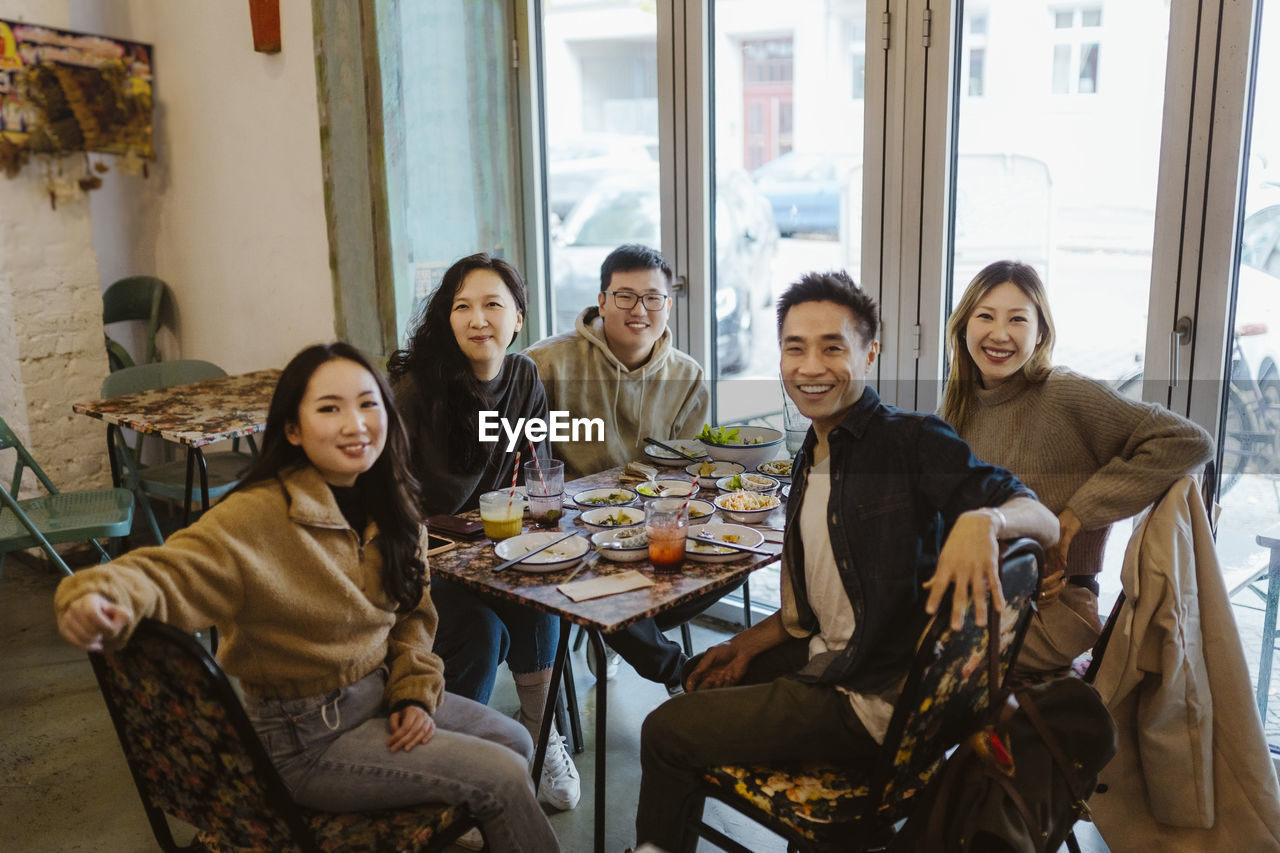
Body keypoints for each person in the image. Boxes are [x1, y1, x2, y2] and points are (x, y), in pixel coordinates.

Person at [54, 343, 559, 853]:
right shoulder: (257, 517)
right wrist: (94, 594)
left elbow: (412, 617)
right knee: (502, 777)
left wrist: (412, 692)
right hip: (303, 738)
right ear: (292, 430)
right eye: (328, 408)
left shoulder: (395, 502)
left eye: (368, 404)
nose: (355, 424)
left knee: (515, 743)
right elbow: (162, 573)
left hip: (379, 696)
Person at [634, 271, 1060, 851]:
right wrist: (744, 647)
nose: (811, 367)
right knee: (702, 678)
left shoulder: (910, 440)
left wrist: (987, 519)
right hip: (849, 664)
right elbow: (822, 610)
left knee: (664, 730)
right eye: (795, 348)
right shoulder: (813, 449)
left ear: (869, 353)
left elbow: (1041, 518)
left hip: (874, 702)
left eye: (832, 347)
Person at [941, 259, 1213, 678]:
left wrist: (1073, 518)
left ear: (1041, 333)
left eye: (1017, 319)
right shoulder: (959, 405)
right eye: (985, 316)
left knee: (906, 660)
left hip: (1050, 609)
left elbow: (1189, 440)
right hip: (978, 596)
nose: (999, 334)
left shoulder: (1063, 393)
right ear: (963, 327)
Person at [388, 253, 580, 811]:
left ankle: (542, 737)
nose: (478, 319)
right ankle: (450, 764)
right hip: (423, 558)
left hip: (495, 549)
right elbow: (383, 496)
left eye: (493, 305)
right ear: (447, 319)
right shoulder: (416, 389)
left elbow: (540, 473)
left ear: (518, 317)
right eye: (462, 306)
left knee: (540, 586)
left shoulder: (523, 377)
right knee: (479, 629)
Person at [525, 243, 712, 693]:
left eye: (652, 298)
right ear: (602, 301)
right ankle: (678, 673)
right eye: (625, 296)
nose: (639, 310)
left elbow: (686, 468)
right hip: (567, 526)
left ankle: (616, 628)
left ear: (667, 305)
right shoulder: (546, 363)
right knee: (595, 572)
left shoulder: (687, 376)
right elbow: (521, 455)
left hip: (650, 521)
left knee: (727, 556)